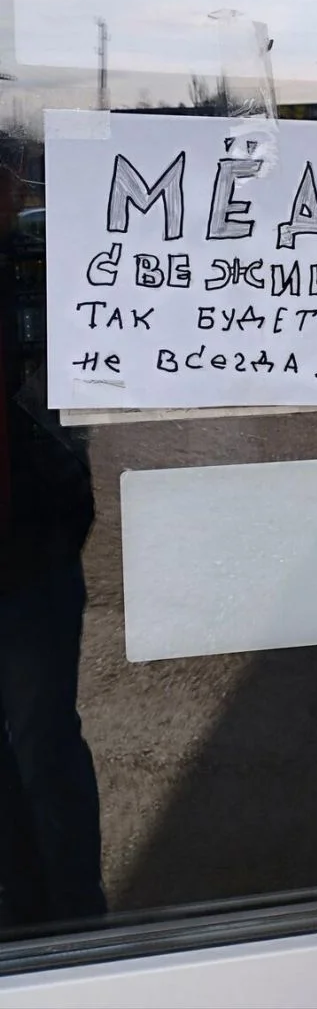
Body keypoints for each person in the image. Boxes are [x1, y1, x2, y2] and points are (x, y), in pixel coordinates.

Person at [0, 160, 105, 927]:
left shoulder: (33, 273)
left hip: (30, 557)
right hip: (36, 548)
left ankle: (72, 925)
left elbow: (70, 406)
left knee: (44, 745)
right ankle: (26, 906)